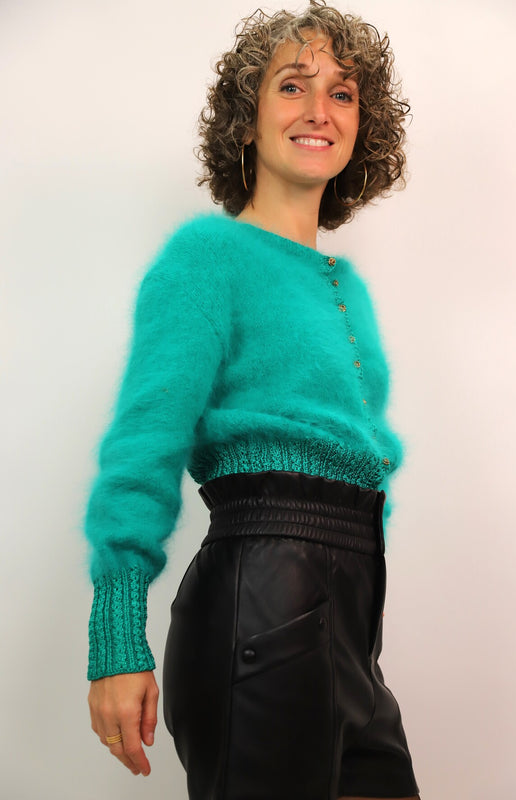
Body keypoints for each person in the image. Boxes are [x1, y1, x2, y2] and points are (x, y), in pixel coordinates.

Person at [85, 2, 421, 798]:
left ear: (363, 125)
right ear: (246, 117)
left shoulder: (345, 288)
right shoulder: (206, 256)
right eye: (292, 85)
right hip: (263, 603)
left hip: (350, 622)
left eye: (342, 93)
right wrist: (115, 640)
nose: (318, 110)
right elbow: (142, 448)